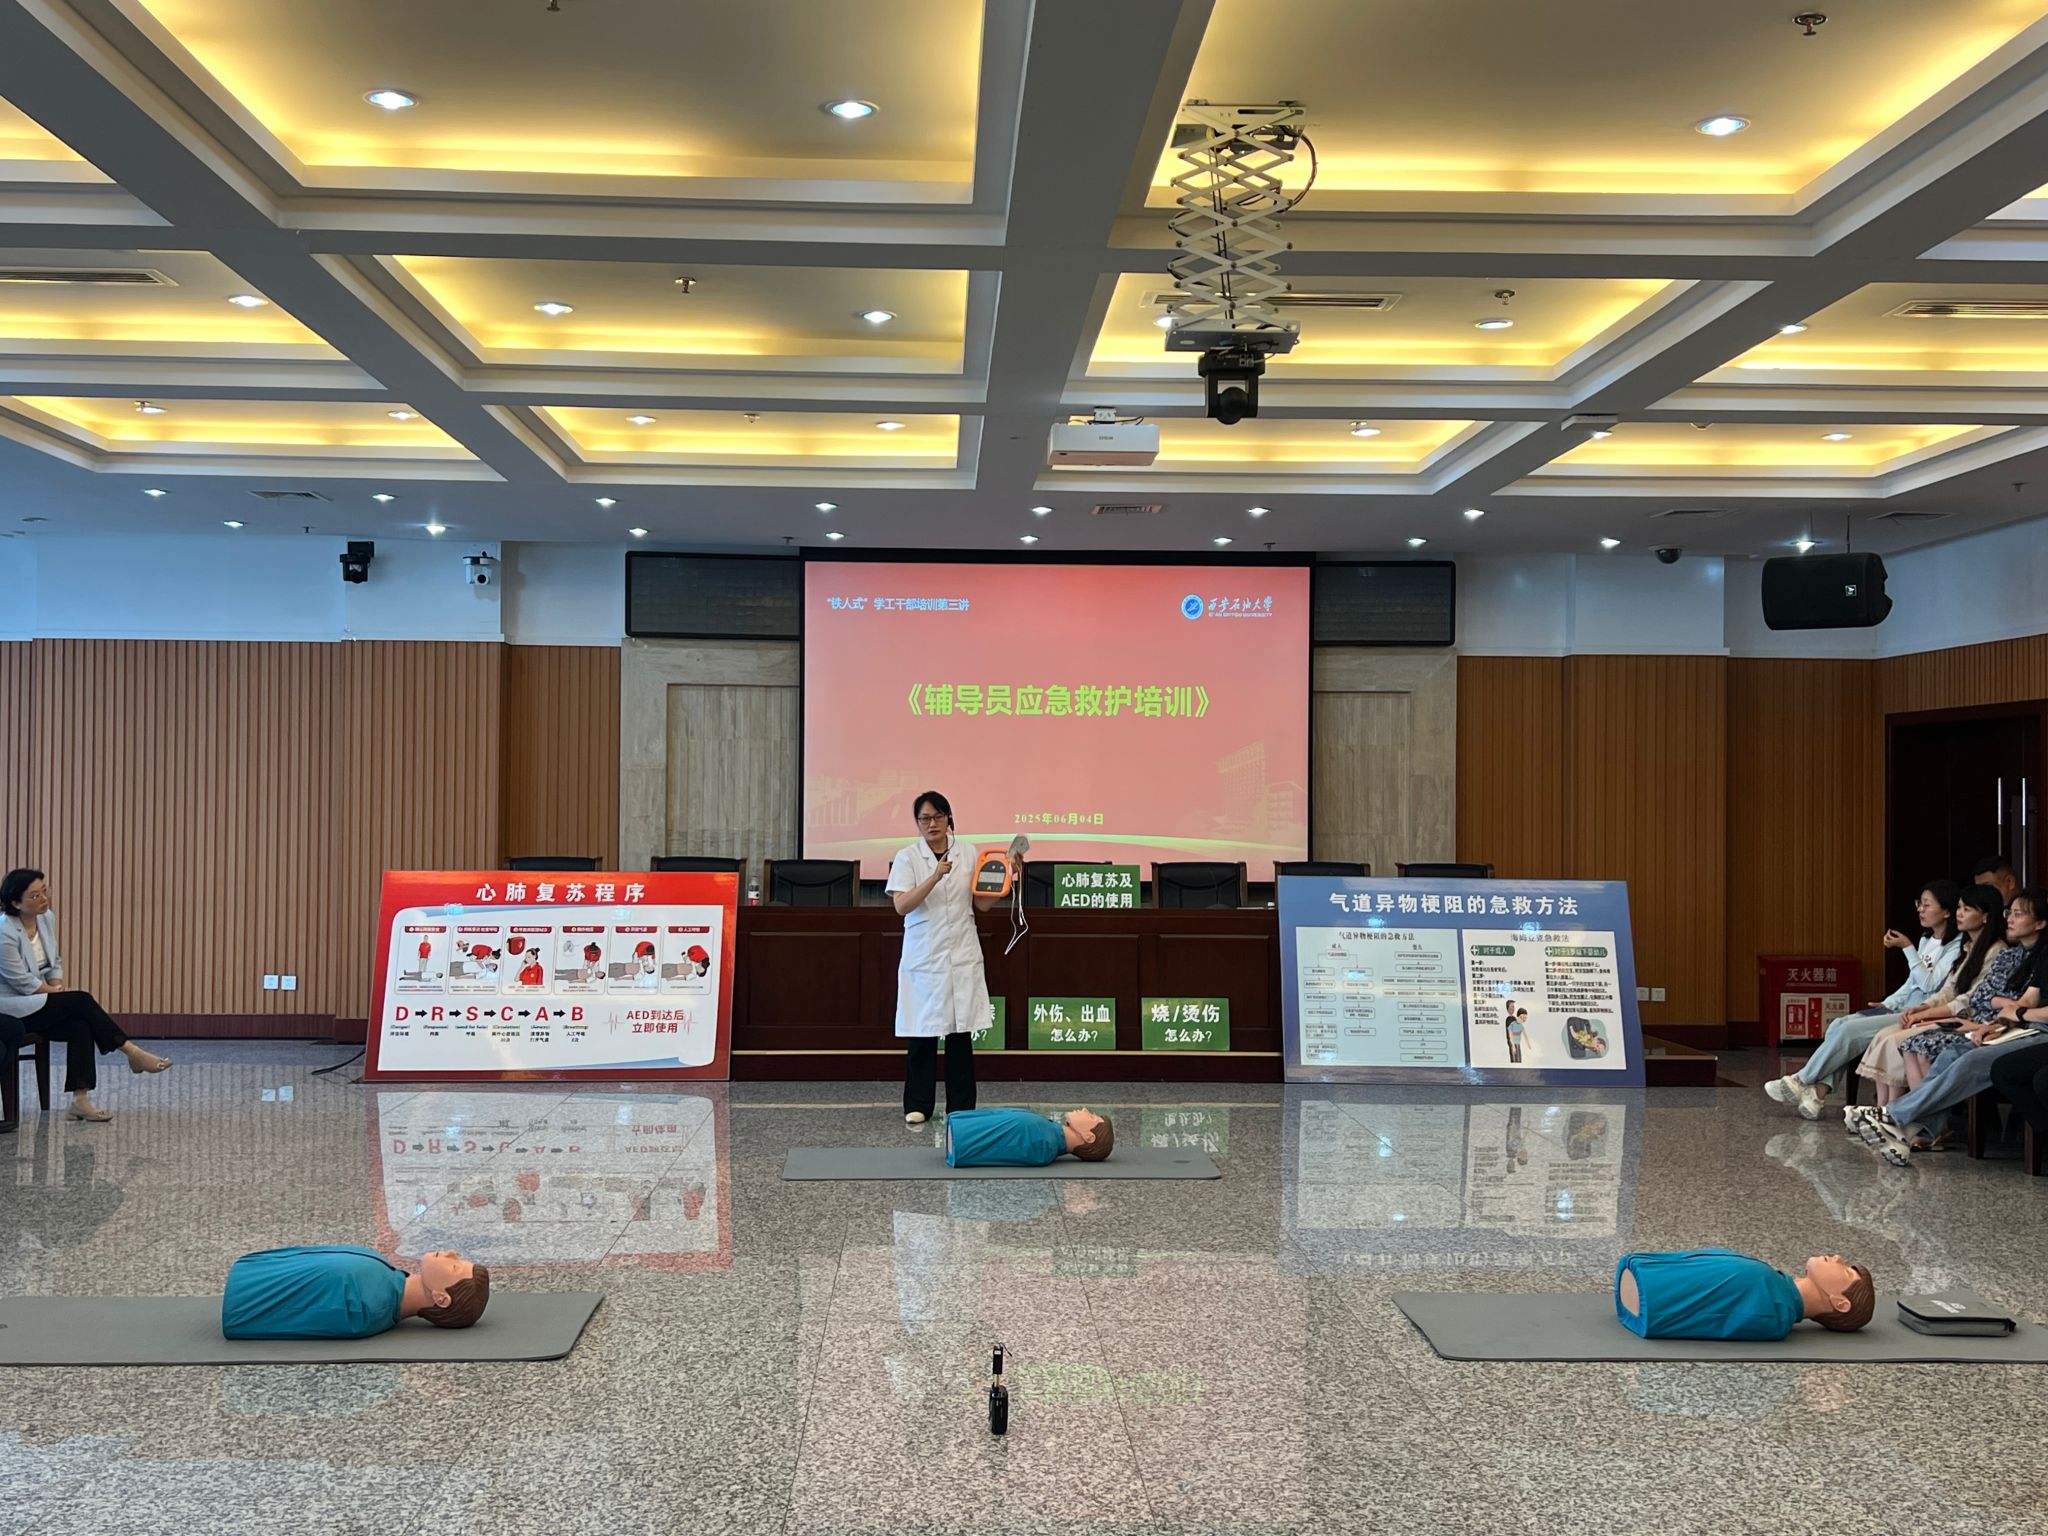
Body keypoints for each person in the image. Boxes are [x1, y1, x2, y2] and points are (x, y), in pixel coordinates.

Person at [1849, 888, 2046, 1162]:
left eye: (2018, 914)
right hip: (2008, 1025)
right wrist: (1997, 1023)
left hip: (2032, 1031)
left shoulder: (2008, 950)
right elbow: (2012, 1000)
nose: (2010, 919)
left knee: (1969, 1060)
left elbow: (2020, 1007)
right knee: (1949, 1052)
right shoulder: (2019, 955)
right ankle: (1909, 1130)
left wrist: (2016, 1013)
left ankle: (1892, 1117)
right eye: (2009, 913)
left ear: (2040, 923)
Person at [1764, 878, 1964, 1118]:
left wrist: (1907, 948)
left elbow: (1929, 984)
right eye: (1919, 904)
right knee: (1839, 1024)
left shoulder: (1956, 947)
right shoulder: (1926, 940)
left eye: (1927, 905)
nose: (1920, 910)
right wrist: (1888, 1003)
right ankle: (1817, 1093)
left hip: (1917, 1015)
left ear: (1947, 911)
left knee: (1848, 1032)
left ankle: (1801, 1080)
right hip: (1900, 1008)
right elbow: (1911, 984)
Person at [0, 867, 170, 1128]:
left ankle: (80, 1100)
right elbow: (22, 983)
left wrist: (57, 987)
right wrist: (59, 995)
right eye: (35, 896)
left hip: (39, 1000)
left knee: (80, 1023)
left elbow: (54, 961)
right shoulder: (4, 933)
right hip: (12, 1008)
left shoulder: (46, 918)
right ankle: (133, 1052)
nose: (44, 899)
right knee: (80, 1000)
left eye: (44, 891)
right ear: (15, 903)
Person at [887, 790, 1016, 1125]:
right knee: (922, 1032)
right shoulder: (908, 857)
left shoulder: (969, 853)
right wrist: (935, 876)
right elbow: (901, 905)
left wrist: (1006, 877)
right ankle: (918, 1104)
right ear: (917, 823)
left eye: (938, 817)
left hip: (961, 950)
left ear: (949, 819)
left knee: (960, 1033)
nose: (932, 824)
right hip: (924, 954)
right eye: (925, 819)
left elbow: (982, 903)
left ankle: (961, 1106)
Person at [1850, 884, 2004, 1109]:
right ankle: (1883, 1108)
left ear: (1986, 917)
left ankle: (1894, 1110)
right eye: (1959, 907)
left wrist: (1927, 1014)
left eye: (1967, 909)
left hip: (1968, 1020)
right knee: (1883, 1035)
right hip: (1949, 1014)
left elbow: (1969, 999)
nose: (1960, 913)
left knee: (1896, 1041)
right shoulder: (1968, 946)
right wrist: (1922, 1007)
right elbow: (1949, 990)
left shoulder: (1996, 951)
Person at [221, 1245, 490, 1339]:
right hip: (250, 1275)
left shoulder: (364, 1307)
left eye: (455, 1267)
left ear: (441, 1298)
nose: (451, 1253)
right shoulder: (380, 1277)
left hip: (244, 1296)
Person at [1614, 1249, 1875, 1340]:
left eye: (1846, 1272)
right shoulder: (1770, 1285)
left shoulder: (1773, 1313)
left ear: (1840, 1303)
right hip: (1643, 1275)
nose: (1838, 1257)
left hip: (1650, 1297)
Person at [944, 1106, 1114, 1167]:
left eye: (1091, 1116)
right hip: (960, 1130)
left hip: (962, 1139)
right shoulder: (1045, 1133)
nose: (1084, 1109)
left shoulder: (1042, 1144)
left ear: (1088, 1137)